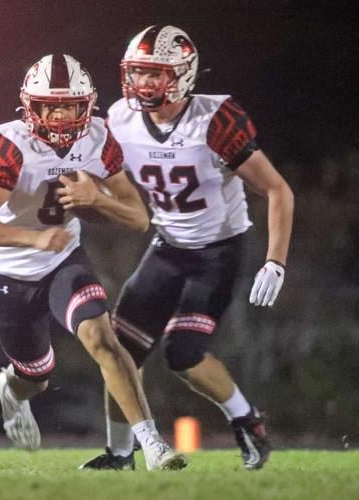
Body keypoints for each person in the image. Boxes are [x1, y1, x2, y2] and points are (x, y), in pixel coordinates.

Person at [78, 25, 293, 471]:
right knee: (119, 351)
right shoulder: (119, 117)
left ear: (183, 75)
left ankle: (247, 419)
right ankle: (120, 454)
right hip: (168, 244)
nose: (145, 84)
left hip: (217, 250)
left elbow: (277, 190)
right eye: (138, 73)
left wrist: (275, 261)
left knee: (183, 353)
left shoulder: (214, 120)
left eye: (157, 74)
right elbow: (84, 153)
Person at [0, 54, 186, 471]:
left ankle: (152, 445)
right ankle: (12, 391)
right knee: (35, 375)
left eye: (70, 104)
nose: (61, 114)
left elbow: (139, 217)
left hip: (64, 259)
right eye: (51, 104)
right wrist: (33, 238)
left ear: (88, 105)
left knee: (104, 340)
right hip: (10, 271)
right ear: (31, 105)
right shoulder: (7, 144)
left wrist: (96, 200)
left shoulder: (98, 137)